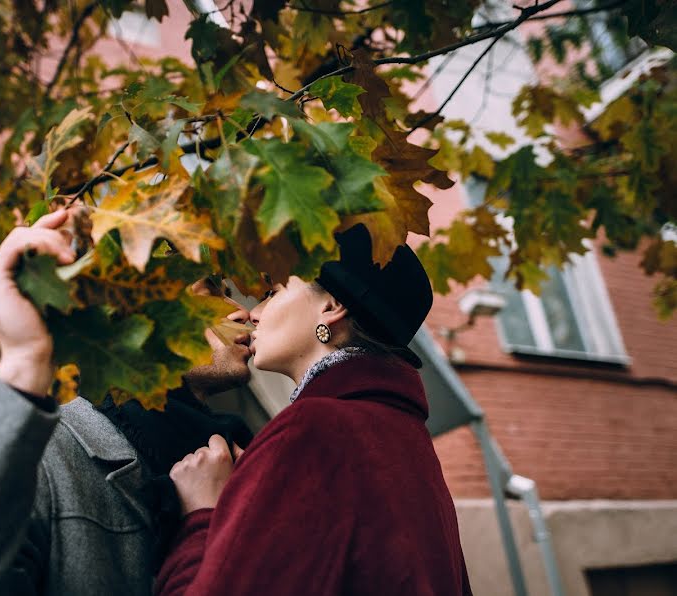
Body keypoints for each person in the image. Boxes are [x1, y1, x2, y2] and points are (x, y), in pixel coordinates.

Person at [0, 209, 254, 596]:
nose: (242, 311)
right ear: (138, 315)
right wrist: (23, 364)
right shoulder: (44, 457)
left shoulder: (244, 458)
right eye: (212, 291)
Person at [156, 223, 472, 595]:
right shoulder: (406, 444)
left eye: (272, 293)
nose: (253, 312)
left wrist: (201, 515)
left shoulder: (313, 430)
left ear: (332, 305)